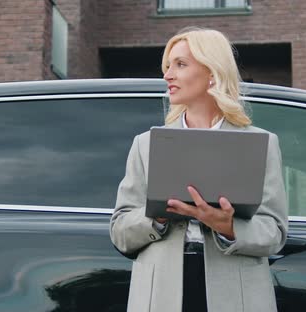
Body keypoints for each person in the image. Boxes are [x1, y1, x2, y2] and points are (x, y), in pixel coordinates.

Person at [109, 26, 288, 312]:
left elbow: (275, 232)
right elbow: (120, 230)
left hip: (235, 297)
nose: (168, 75)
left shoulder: (260, 144)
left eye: (180, 65)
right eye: (168, 66)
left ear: (213, 73)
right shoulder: (146, 145)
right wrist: (158, 219)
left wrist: (227, 227)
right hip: (161, 297)